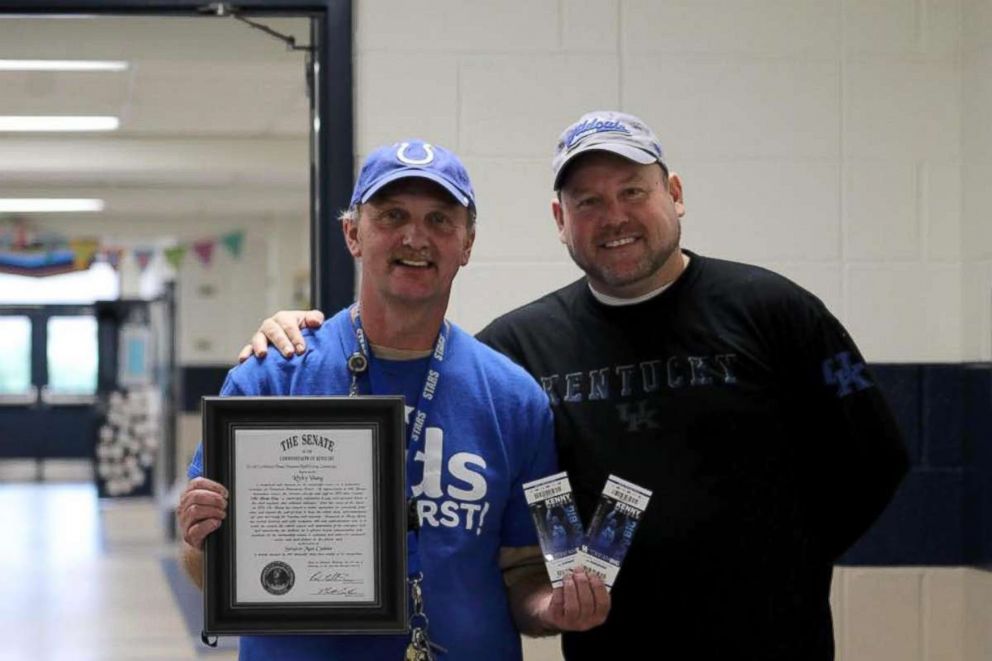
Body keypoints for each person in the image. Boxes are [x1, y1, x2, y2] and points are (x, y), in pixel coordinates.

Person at [243, 112, 909, 660]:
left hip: (773, 647)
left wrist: (780, 567)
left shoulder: (772, 310)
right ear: (560, 219)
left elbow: (876, 458)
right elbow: (423, 367)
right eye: (587, 201)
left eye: (632, 191)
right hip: (611, 648)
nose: (613, 215)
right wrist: (291, 334)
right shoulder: (520, 349)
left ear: (673, 192)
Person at [178, 139, 609, 661]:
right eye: (392, 215)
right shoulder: (272, 376)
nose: (415, 237)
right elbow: (202, 566)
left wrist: (553, 610)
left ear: (467, 243)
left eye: (440, 220)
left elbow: (524, 571)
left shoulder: (514, 398)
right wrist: (202, 541)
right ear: (353, 234)